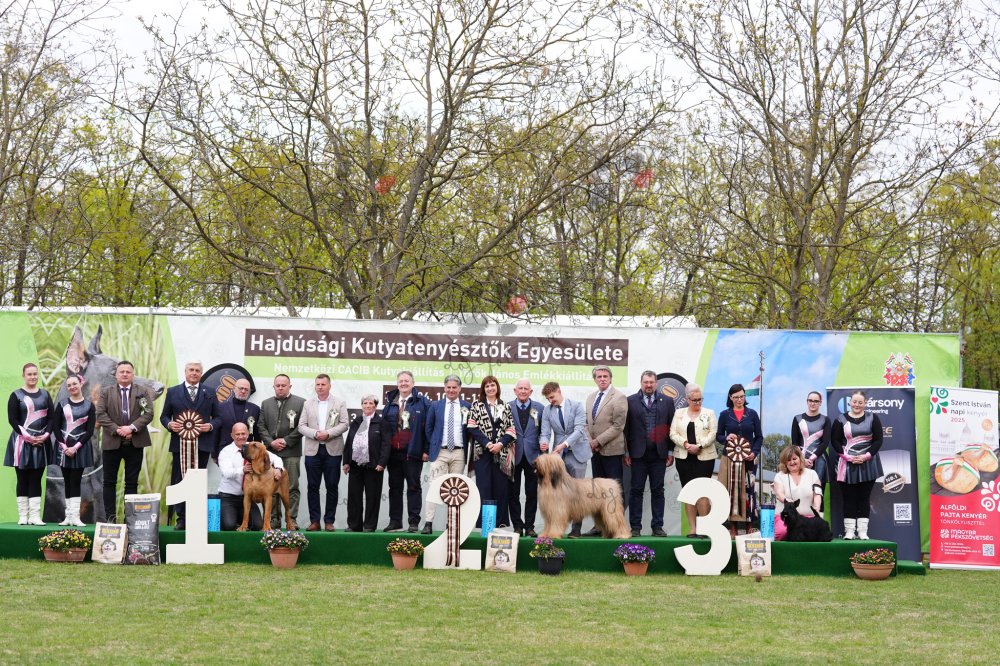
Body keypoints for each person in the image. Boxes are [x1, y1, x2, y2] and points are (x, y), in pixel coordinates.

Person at [161, 361, 221, 529]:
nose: (194, 373)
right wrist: (169, 424)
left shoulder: (210, 392)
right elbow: (164, 416)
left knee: (198, 481)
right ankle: (181, 519)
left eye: (197, 370)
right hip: (179, 445)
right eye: (191, 370)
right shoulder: (173, 392)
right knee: (180, 480)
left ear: (201, 373)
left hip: (202, 445)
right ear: (185, 371)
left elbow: (219, 417)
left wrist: (210, 426)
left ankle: (196, 517)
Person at [95, 361, 156, 523]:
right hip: (111, 443)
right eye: (121, 371)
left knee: (132, 483)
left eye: (128, 371)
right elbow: (100, 414)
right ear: (116, 375)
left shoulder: (142, 392)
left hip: (135, 443)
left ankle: (130, 520)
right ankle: (110, 520)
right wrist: (117, 430)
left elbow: (148, 413)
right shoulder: (106, 392)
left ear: (133, 375)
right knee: (109, 483)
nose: (124, 374)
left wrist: (131, 428)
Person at [624, 371, 675, 537]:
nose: (648, 385)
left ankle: (657, 526)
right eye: (646, 382)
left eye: (651, 382)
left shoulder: (667, 401)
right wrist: (626, 452)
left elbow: (671, 427)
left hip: (659, 455)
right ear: (641, 383)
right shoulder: (630, 401)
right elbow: (625, 429)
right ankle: (635, 527)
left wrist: (670, 451)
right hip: (637, 454)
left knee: (658, 491)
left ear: (656, 383)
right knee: (636, 491)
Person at [421, 375, 473, 534]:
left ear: (460, 389)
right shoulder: (435, 405)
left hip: (459, 453)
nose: (451, 390)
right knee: (434, 487)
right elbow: (428, 428)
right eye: (448, 387)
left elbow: (470, 430)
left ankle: (451, 524)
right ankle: (428, 523)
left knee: (456, 490)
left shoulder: (467, 406)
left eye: (454, 387)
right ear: (444, 388)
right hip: (440, 453)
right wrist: (433, 445)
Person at [298, 373, 349, 531]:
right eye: (317, 384)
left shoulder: (339, 402)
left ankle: (329, 521)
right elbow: (301, 426)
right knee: (313, 486)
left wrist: (328, 433)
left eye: (323, 384)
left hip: (333, 450)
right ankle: (314, 521)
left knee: (332, 486)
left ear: (329, 386)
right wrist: (315, 433)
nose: (320, 387)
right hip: (312, 451)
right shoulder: (308, 404)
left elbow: (345, 424)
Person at [381, 370, 431, 533]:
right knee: (394, 488)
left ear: (413, 383)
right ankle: (395, 521)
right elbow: (385, 429)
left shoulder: (422, 402)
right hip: (393, 454)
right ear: (397, 384)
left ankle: (413, 522)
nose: (403, 384)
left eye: (406, 381)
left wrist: (426, 450)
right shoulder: (390, 402)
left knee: (413, 487)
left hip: (413, 453)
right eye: (401, 381)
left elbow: (428, 428)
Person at [5, 363, 54, 525]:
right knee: (22, 478)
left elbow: (51, 418)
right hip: (21, 443)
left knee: (36, 478)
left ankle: (34, 516)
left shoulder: (45, 395)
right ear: (23, 375)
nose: (33, 377)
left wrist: (45, 436)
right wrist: (27, 437)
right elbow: (12, 419)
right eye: (29, 374)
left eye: (35, 374)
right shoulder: (16, 395)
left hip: (41, 443)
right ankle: (23, 516)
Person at [538, 381, 589, 537]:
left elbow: (579, 430)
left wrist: (564, 444)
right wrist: (544, 442)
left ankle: (576, 529)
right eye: (548, 398)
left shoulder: (577, 406)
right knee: (557, 493)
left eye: (552, 397)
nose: (550, 400)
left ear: (559, 391)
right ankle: (556, 528)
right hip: (558, 457)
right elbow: (545, 432)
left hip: (578, 452)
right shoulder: (547, 410)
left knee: (578, 492)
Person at [831, 390, 884, 540]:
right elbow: (835, 441)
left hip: (868, 464)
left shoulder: (873, 418)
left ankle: (862, 532)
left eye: (860, 402)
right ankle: (849, 531)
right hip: (846, 464)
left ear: (865, 403)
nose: (857, 405)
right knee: (849, 498)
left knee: (864, 498)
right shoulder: (840, 419)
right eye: (854, 401)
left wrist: (866, 456)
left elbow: (878, 440)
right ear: (850, 402)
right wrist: (848, 457)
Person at [468, 375, 517, 529]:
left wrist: (500, 444)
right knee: (484, 488)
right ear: (484, 389)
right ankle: (485, 526)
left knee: (501, 489)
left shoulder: (505, 406)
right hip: (482, 453)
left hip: (501, 454)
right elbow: (472, 427)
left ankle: (500, 524)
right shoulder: (477, 405)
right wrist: (488, 444)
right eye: (487, 386)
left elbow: (511, 429)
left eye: (492, 385)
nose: (490, 388)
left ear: (497, 387)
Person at [669, 383, 718, 538]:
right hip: (684, 458)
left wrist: (699, 446)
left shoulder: (709, 413)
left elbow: (713, 433)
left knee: (702, 492)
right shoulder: (679, 413)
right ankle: (692, 529)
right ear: (687, 399)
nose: (698, 402)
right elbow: (673, 433)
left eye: (700, 399)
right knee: (688, 493)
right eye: (694, 400)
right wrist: (686, 444)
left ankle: (704, 528)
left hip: (705, 458)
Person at [584, 364, 627, 535]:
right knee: (597, 492)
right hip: (595, 452)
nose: (602, 379)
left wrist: (598, 441)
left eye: (605, 376)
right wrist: (590, 441)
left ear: (610, 378)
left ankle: (617, 527)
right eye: (599, 377)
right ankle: (599, 526)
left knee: (614, 491)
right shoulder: (590, 397)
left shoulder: (619, 397)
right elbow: (586, 423)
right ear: (595, 379)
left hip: (611, 452)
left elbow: (618, 426)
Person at [716, 383, 763, 536]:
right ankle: (733, 527)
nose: (739, 400)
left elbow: (759, 437)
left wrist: (754, 452)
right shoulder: (724, 415)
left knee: (749, 492)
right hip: (730, 459)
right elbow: (718, 436)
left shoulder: (752, 414)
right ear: (730, 397)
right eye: (736, 397)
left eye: (742, 396)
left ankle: (749, 526)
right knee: (732, 492)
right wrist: (726, 438)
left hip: (749, 460)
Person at [217, 422, 283, 531]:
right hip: (228, 497)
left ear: (248, 434)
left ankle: (238, 518)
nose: (241, 436)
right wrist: (242, 470)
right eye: (237, 434)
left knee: (257, 525)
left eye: (243, 433)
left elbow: (276, 458)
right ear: (232, 435)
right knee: (228, 525)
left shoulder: (254, 446)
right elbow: (227, 473)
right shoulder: (225, 451)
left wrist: (278, 468)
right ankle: (233, 518)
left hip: (247, 498)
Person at [260, 374, 306, 529]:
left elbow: (302, 426)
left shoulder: (301, 403)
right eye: (277, 385)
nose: (280, 388)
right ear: (274, 386)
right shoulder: (265, 403)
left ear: (289, 386)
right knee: (271, 488)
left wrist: (286, 441)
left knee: (292, 487)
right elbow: (260, 426)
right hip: (271, 453)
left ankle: (291, 520)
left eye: (283, 385)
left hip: (291, 452)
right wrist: (270, 442)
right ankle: (273, 519)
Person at [342, 395, 391, 532]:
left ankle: (369, 526)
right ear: (362, 405)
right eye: (365, 403)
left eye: (370, 403)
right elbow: (349, 442)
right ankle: (354, 525)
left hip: (374, 466)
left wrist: (382, 463)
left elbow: (386, 445)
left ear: (375, 406)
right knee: (354, 496)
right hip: (355, 465)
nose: (367, 405)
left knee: (372, 497)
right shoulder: (357, 421)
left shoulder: (382, 423)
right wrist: (346, 462)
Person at [53, 375, 95, 526]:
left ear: (81, 383)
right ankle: (68, 517)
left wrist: (76, 447)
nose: (72, 387)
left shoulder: (89, 406)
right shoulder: (62, 404)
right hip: (63, 448)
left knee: (76, 481)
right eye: (69, 385)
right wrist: (65, 447)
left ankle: (75, 517)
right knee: (67, 481)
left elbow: (89, 430)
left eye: (74, 384)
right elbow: (56, 427)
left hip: (80, 448)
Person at [508, 379, 544, 537]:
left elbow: (544, 431)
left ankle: (530, 526)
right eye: (520, 388)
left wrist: (543, 451)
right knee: (513, 493)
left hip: (533, 457)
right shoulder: (507, 407)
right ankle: (517, 526)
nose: (523, 391)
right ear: (515, 390)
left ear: (531, 391)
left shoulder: (540, 408)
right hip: (513, 455)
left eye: (526, 389)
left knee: (532, 493)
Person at [790, 391, 832, 498]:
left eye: (816, 401)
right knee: (801, 494)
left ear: (820, 402)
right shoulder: (797, 419)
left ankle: (818, 509)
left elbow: (825, 442)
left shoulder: (826, 420)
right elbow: (794, 443)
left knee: (818, 493)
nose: (813, 403)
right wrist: (802, 460)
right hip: (800, 460)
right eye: (810, 400)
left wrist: (812, 458)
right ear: (807, 401)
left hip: (820, 460)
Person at [773, 445, 823, 520]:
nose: (792, 462)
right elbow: (779, 494)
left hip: (809, 518)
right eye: (788, 460)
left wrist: (817, 507)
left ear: (800, 458)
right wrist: (788, 501)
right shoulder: (779, 476)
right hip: (786, 518)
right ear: (785, 462)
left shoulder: (812, 474)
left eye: (794, 459)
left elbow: (817, 493)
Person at [215, 378, 261, 459]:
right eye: (241, 388)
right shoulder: (221, 407)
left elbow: (257, 434)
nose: (243, 391)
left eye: (246, 389)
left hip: (248, 453)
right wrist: (214, 454)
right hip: (225, 452)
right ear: (234, 389)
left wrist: (258, 453)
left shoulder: (255, 409)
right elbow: (216, 432)